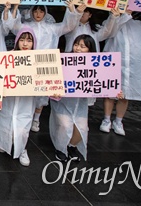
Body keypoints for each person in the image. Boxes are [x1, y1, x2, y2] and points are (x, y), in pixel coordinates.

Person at [5, 1, 81, 132]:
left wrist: (72, 10)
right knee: (27, 93)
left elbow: (69, 25)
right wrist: (15, 7)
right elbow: (12, 25)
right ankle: (24, 120)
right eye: (35, 11)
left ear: (45, 13)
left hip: (45, 64)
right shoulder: (26, 26)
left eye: (41, 11)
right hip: (27, 64)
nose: (38, 14)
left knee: (42, 94)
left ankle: (36, 119)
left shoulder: (52, 28)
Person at [49, 34, 125, 162]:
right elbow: (51, 80)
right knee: (64, 125)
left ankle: (71, 146)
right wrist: (53, 91)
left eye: (82, 46)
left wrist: (115, 91)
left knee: (82, 128)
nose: (78, 48)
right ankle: (60, 149)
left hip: (81, 103)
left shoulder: (97, 65)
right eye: (76, 45)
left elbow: (105, 83)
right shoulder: (64, 61)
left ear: (90, 50)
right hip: (62, 101)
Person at [0, 26, 37, 166]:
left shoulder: (38, 59)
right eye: (22, 40)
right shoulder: (7, 57)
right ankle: (2, 143)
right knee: (4, 121)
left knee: (23, 126)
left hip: (26, 100)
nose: (25, 44)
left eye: (29, 41)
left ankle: (22, 149)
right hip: (8, 98)